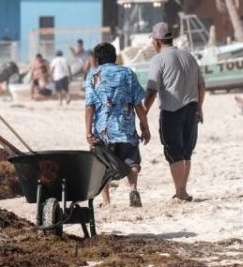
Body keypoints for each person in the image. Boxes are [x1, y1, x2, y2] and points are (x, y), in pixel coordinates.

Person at [143, 22, 205, 202]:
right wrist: (200, 107)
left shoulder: (158, 60)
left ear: (157, 41)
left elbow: (152, 89)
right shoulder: (189, 56)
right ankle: (182, 190)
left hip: (172, 110)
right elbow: (201, 85)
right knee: (186, 151)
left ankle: (180, 192)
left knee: (174, 151)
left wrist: (143, 112)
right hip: (191, 108)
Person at [85, 42, 150, 207]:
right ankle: (133, 189)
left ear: (97, 59)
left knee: (102, 166)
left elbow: (89, 106)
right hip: (125, 129)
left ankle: (106, 201)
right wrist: (145, 126)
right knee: (132, 162)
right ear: (115, 57)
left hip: (103, 131)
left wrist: (88, 132)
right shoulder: (128, 73)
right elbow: (138, 104)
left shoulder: (93, 75)